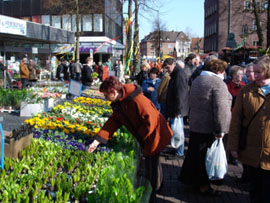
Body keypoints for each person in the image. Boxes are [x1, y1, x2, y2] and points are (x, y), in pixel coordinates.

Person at [88, 76, 173, 202]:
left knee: (152, 166)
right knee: (153, 162)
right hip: (148, 135)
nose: (105, 99)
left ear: (113, 91)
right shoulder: (120, 102)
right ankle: (158, 186)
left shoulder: (137, 99)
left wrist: (141, 137)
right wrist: (97, 141)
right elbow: (113, 122)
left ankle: (152, 195)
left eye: (106, 95)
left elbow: (150, 121)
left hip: (155, 135)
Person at [180, 59, 232, 195]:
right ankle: (204, 186)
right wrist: (221, 128)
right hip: (209, 127)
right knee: (206, 158)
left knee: (194, 156)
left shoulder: (198, 80)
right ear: (219, 70)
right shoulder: (218, 83)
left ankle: (193, 182)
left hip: (196, 124)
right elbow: (221, 108)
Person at [228, 56, 270, 203]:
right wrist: (233, 146)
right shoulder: (246, 91)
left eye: (259, 72)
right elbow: (236, 120)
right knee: (255, 191)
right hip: (252, 152)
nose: (255, 76)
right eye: (255, 72)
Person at [163, 58, 189, 157]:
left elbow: (180, 94)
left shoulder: (179, 75)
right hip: (175, 108)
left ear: (174, 64)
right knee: (175, 130)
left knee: (178, 131)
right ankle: (176, 149)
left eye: (168, 68)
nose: (167, 70)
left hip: (177, 109)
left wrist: (178, 110)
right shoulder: (176, 74)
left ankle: (179, 152)